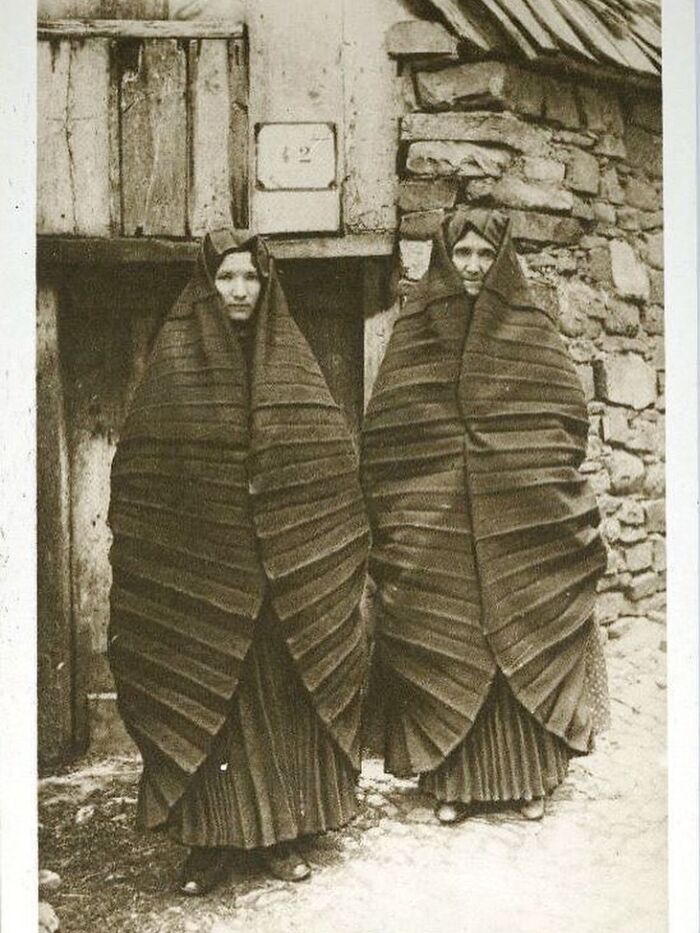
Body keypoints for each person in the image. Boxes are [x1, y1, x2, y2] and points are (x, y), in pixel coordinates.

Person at [108, 229, 370, 894]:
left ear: (266, 283)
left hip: (281, 573)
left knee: (279, 704)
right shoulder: (175, 365)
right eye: (227, 278)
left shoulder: (293, 364)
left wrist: (300, 532)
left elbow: (327, 459)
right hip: (204, 571)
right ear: (207, 283)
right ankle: (208, 845)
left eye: (250, 278)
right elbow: (147, 466)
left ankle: (281, 835)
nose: (240, 290)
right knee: (209, 708)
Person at [361, 208, 610, 824]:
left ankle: (531, 780)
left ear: (500, 264)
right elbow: (390, 431)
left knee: (524, 627)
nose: (473, 267)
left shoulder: (531, 332)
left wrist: (529, 480)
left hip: (520, 517)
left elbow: (562, 423)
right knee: (450, 632)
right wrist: (418, 501)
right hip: (440, 522)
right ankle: (452, 785)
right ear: (446, 261)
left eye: (483, 257)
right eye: (463, 256)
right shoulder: (415, 335)